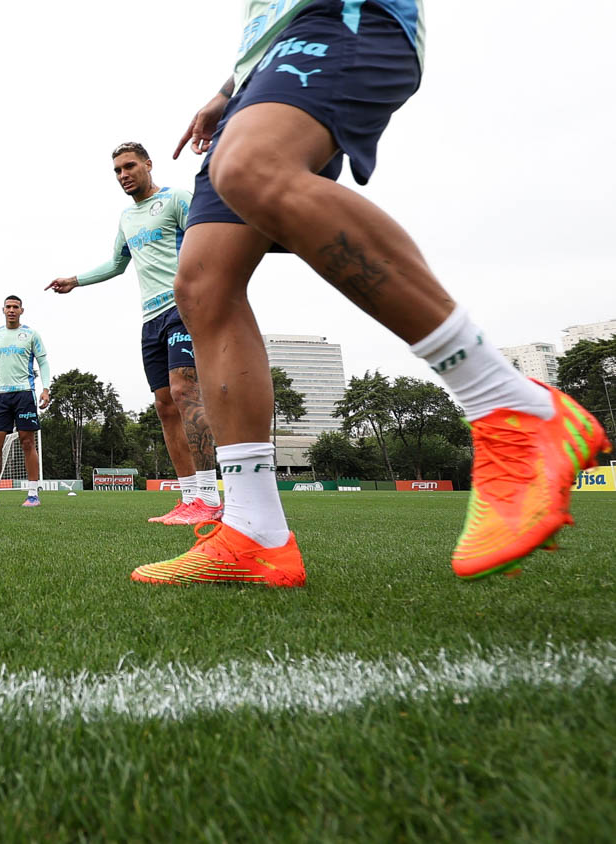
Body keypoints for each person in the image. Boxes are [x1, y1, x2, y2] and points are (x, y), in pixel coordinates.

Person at [133, 1, 608, 586]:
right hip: (262, 67)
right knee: (202, 283)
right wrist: (230, 85)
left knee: (251, 166)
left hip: (342, 16)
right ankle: (255, 532)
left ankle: (509, 404)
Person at [46, 142, 222, 525]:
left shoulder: (176, 199)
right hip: (150, 319)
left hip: (183, 309)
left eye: (129, 167)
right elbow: (116, 263)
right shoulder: (126, 218)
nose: (124, 175)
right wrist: (75, 281)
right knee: (164, 406)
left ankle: (210, 497)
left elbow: (206, 238)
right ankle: (189, 498)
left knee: (184, 392)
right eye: (117, 171)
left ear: (147, 165)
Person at [0, 296, 50, 508]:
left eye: (16, 307)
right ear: (3, 310)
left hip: (24, 393)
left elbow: (43, 361)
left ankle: (33, 494)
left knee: (27, 442)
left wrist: (46, 389)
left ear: (22, 310)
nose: (12, 310)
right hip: (0, 396)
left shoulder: (31, 335)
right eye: (8, 307)